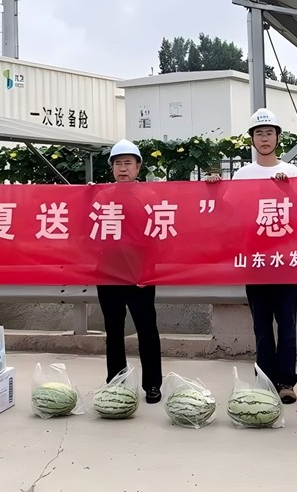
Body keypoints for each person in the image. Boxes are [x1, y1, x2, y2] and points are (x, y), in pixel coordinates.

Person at [206, 108, 297, 405]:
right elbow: (230, 213)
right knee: (261, 325)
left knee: (287, 324)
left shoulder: (292, 172)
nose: (264, 138)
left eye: (269, 133)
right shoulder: (243, 174)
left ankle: (286, 381)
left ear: (278, 138)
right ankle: (264, 379)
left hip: (286, 259)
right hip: (256, 260)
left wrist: (288, 190)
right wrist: (214, 189)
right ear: (252, 139)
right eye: (259, 133)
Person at [95, 139, 164, 404]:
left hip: (139, 275)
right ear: (112, 168)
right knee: (113, 329)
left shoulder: (150, 197)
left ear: (138, 167)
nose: (122, 168)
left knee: (147, 328)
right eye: (118, 163)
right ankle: (116, 380)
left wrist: (148, 271)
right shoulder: (101, 197)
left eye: (128, 163)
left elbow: (156, 239)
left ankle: (153, 384)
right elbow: (91, 235)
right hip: (109, 273)